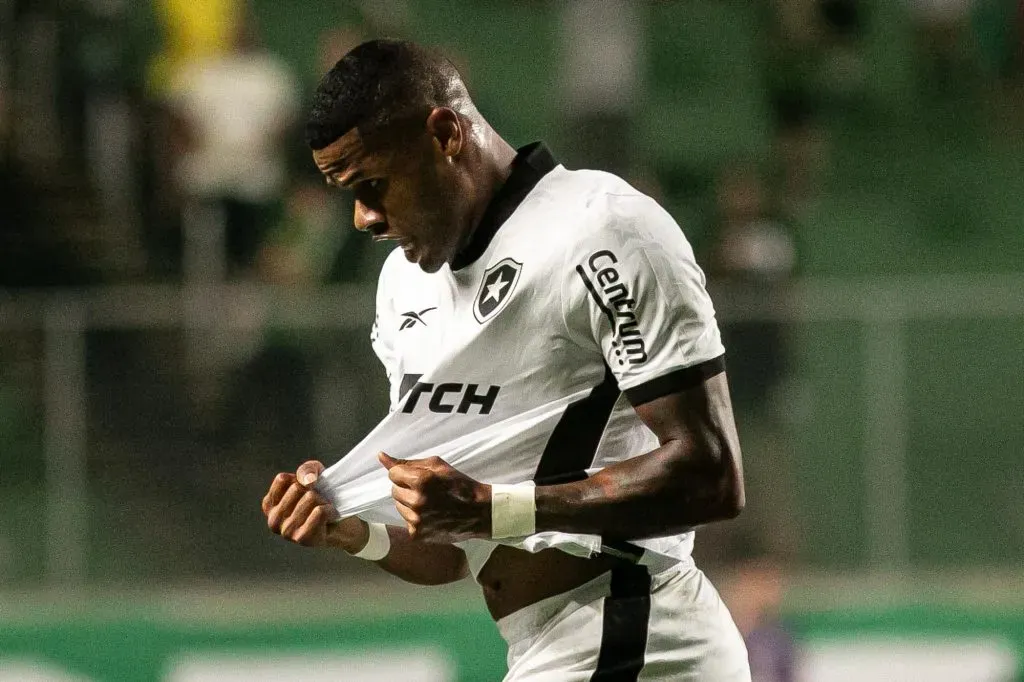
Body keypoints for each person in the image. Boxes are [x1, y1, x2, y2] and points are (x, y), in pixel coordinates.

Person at [261, 39, 751, 681]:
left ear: (444, 134)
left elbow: (712, 473)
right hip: (552, 647)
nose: (362, 218)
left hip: (637, 633)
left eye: (373, 185)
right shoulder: (403, 287)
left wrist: (493, 508)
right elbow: (449, 554)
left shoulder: (604, 229)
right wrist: (352, 530)